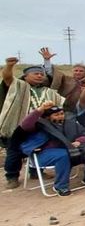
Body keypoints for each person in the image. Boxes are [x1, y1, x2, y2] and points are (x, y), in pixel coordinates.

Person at [1, 52, 66, 188]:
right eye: (35, 73)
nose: (39, 75)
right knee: (14, 151)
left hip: (42, 126)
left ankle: (36, 172)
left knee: (40, 147)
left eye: (41, 74)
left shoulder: (48, 91)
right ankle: (12, 176)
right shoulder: (18, 86)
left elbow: (60, 103)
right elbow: (7, 77)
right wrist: (9, 66)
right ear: (25, 76)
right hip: (19, 126)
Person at [18, 101, 85, 195]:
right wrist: (40, 109)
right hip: (43, 154)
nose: (60, 116)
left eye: (62, 114)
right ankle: (60, 186)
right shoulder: (40, 125)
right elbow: (25, 124)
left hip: (69, 150)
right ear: (48, 117)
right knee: (63, 155)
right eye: (56, 115)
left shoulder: (70, 123)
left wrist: (79, 141)